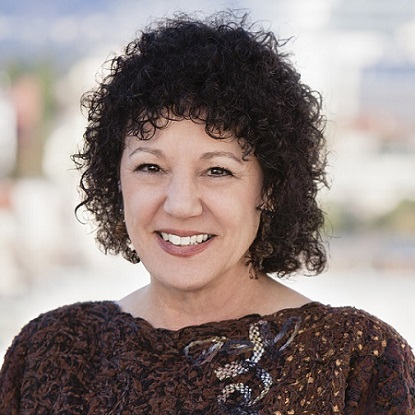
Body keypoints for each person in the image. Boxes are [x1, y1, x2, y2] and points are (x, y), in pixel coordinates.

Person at [1, 11, 414, 415]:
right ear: (117, 180)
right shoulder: (46, 355)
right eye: (150, 167)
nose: (181, 204)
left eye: (217, 171)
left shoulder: (356, 363)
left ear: (270, 188)